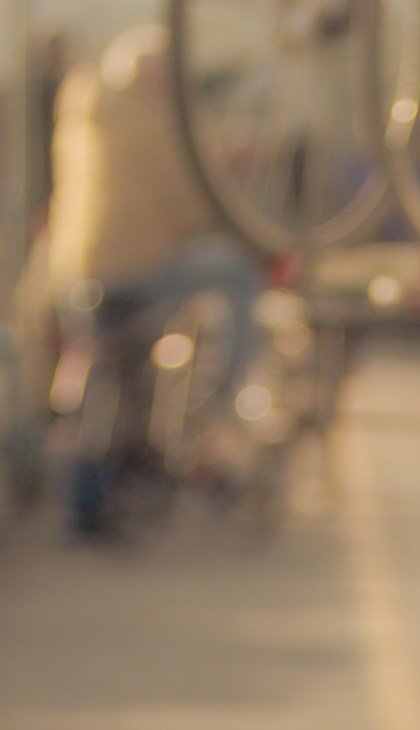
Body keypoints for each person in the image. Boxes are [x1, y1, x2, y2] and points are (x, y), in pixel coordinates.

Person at [48, 22, 260, 534]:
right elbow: (193, 202)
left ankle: (94, 492)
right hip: (137, 267)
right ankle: (223, 393)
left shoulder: (85, 106)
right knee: (237, 272)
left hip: (80, 269)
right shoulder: (155, 117)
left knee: (108, 377)